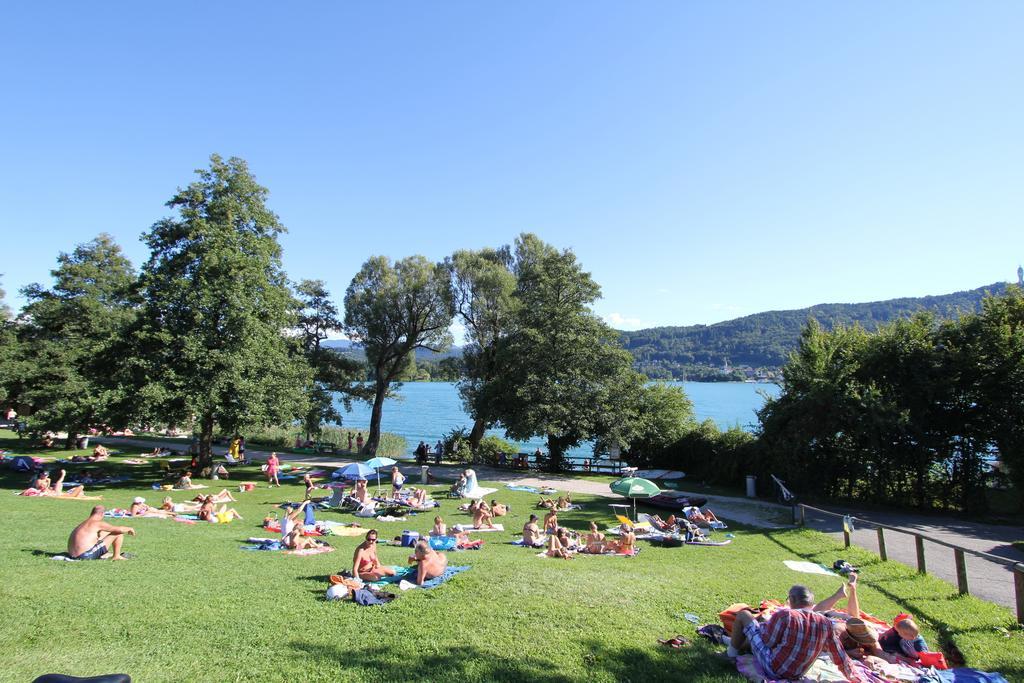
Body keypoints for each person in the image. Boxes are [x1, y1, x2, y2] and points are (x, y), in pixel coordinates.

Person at [727, 585, 862, 682]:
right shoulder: (825, 623)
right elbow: (839, 655)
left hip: (774, 669)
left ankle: (730, 655)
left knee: (745, 616)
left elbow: (767, 641)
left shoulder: (786, 615)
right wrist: (854, 677)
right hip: (797, 674)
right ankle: (731, 642)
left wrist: (760, 627)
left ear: (792, 599)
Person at [67, 506, 135, 560]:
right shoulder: (97, 523)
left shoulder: (84, 523)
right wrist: (130, 528)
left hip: (72, 554)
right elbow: (120, 530)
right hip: (85, 556)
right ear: (102, 514)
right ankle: (116, 556)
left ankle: (109, 554)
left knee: (105, 532)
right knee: (117, 533)